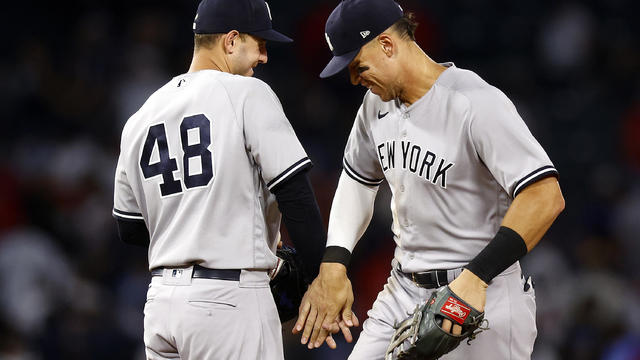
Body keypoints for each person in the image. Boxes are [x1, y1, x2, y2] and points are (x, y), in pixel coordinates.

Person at [293, 0, 566, 358]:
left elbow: (545, 195)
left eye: (358, 65)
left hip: (483, 294)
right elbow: (357, 181)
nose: (354, 78)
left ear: (387, 45)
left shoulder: (474, 102)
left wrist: (476, 276)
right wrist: (334, 262)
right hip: (403, 290)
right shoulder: (374, 106)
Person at [111, 0, 336, 358]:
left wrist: (193, 230)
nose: (263, 56)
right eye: (259, 44)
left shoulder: (141, 115)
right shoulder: (246, 93)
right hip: (228, 301)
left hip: (161, 306)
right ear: (231, 41)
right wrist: (323, 277)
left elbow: (130, 228)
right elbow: (296, 195)